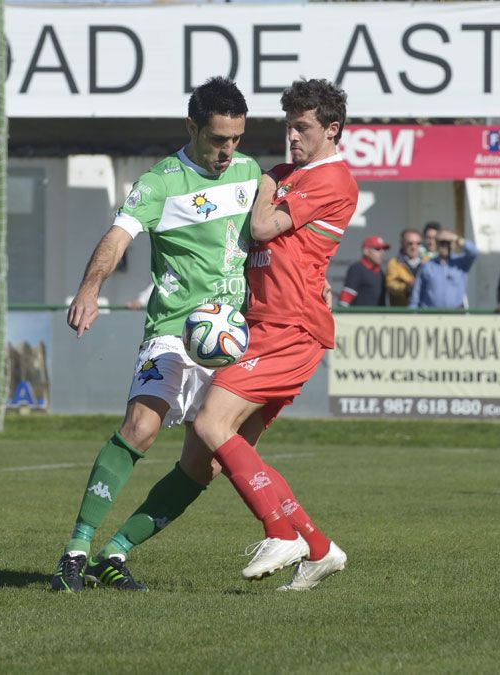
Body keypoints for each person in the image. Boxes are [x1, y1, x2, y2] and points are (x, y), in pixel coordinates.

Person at [49, 77, 260, 593]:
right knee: (141, 426)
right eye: (217, 139)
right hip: (173, 332)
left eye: (235, 138)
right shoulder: (160, 183)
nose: (227, 150)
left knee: (205, 464)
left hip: (230, 339)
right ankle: (76, 550)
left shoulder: (252, 172)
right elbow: (116, 238)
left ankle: (115, 554)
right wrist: (89, 289)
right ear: (193, 127)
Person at [192, 78, 358, 591]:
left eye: (302, 127)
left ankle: (277, 532)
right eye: (288, 125)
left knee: (210, 424)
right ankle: (318, 547)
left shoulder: (331, 178)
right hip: (266, 324)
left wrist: (266, 182)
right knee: (238, 445)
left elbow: (263, 229)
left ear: (331, 130)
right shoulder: (291, 173)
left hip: (290, 328)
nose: (292, 135)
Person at [408, 230, 478, 309]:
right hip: (430, 316)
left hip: (455, 316)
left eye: (448, 242)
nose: (445, 245)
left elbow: (473, 252)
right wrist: (412, 314)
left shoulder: (461, 263)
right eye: (442, 242)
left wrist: (457, 239)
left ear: (454, 244)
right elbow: (416, 294)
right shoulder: (428, 265)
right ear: (437, 244)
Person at [338, 235, 389, 306]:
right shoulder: (357, 269)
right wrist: (341, 315)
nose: (382, 253)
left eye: (383, 249)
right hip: (358, 316)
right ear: (366, 251)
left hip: (378, 317)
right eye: (377, 249)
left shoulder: (380, 272)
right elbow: (345, 299)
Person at [385, 228, 423, 307]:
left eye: (418, 243)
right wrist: (407, 287)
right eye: (410, 243)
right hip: (402, 312)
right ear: (402, 243)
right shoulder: (394, 263)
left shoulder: (427, 262)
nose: (414, 247)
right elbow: (390, 284)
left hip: (423, 311)